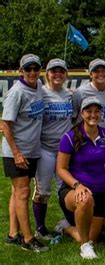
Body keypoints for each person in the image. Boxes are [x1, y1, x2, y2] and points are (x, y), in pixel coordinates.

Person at [56, 97, 105, 259]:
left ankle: (66, 227)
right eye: (89, 111)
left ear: (101, 113)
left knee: (93, 237)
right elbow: (60, 168)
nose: (93, 115)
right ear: (82, 113)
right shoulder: (70, 137)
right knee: (85, 198)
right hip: (73, 191)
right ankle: (84, 247)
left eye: (97, 111)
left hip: (99, 192)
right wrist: (77, 185)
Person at [2, 54, 48, 252]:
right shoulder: (17, 92)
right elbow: (5, 124)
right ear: (21, 71)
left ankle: (13, 234)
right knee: (23, 193)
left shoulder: (38, 86)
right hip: (17, 151)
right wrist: (17, 153)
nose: (32, 72)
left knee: (16, 192)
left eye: (35, 69)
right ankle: (28, 239)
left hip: (32, 149)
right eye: (27, 69)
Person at [33, 59, 73, 241]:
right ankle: (40, 228)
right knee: (43, 190)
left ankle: (69, 221)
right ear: (47, 73)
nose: (57, 74)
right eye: (53, 71)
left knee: (65, 187)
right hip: (45, 149)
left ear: (65, 74)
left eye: (61, 71)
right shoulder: (40, 93)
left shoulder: (69, 94)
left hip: (64, 151)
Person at [72, 58, 105, 129]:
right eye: (96, 71)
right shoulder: (80, 92)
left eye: (103, 71)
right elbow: (73, 117)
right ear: (91, 74)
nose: (100, 74)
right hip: (84, 136)